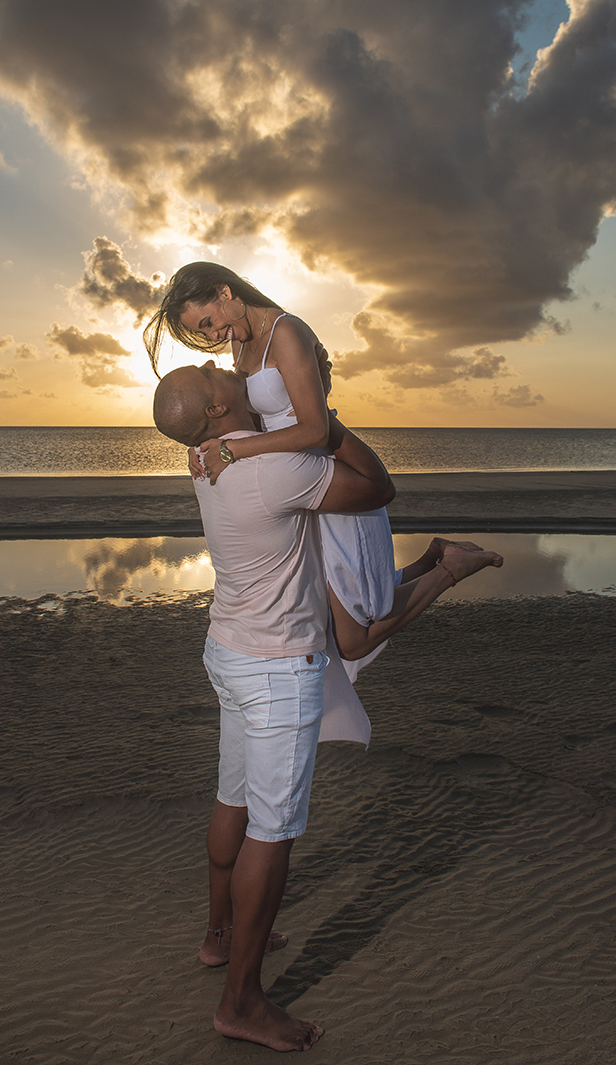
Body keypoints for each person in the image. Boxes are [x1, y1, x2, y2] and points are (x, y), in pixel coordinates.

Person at [152, 358, 503, 1052]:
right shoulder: (270, 470)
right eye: (210, 372)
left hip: (228, 650)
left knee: (233, 799)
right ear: (218, 413)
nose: (219, 363)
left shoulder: (203, 460)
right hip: (278, 671)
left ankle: (218, 937)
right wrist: (322, 418)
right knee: (272, 832)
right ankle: (241, 1003)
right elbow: (375, 487)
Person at [144, 262, 440, 742]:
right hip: (291, 484)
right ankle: (435, 560)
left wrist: (232, 450)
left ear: (224, 291)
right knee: (330, 607)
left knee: (353, 616)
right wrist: (201, 449)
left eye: (207, 321)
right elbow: (235, 415)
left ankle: (446, 567)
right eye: (203, 332)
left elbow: (316, 430)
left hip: (319, 473)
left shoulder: (287, 331)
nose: (213, 335)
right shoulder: (241, 342)